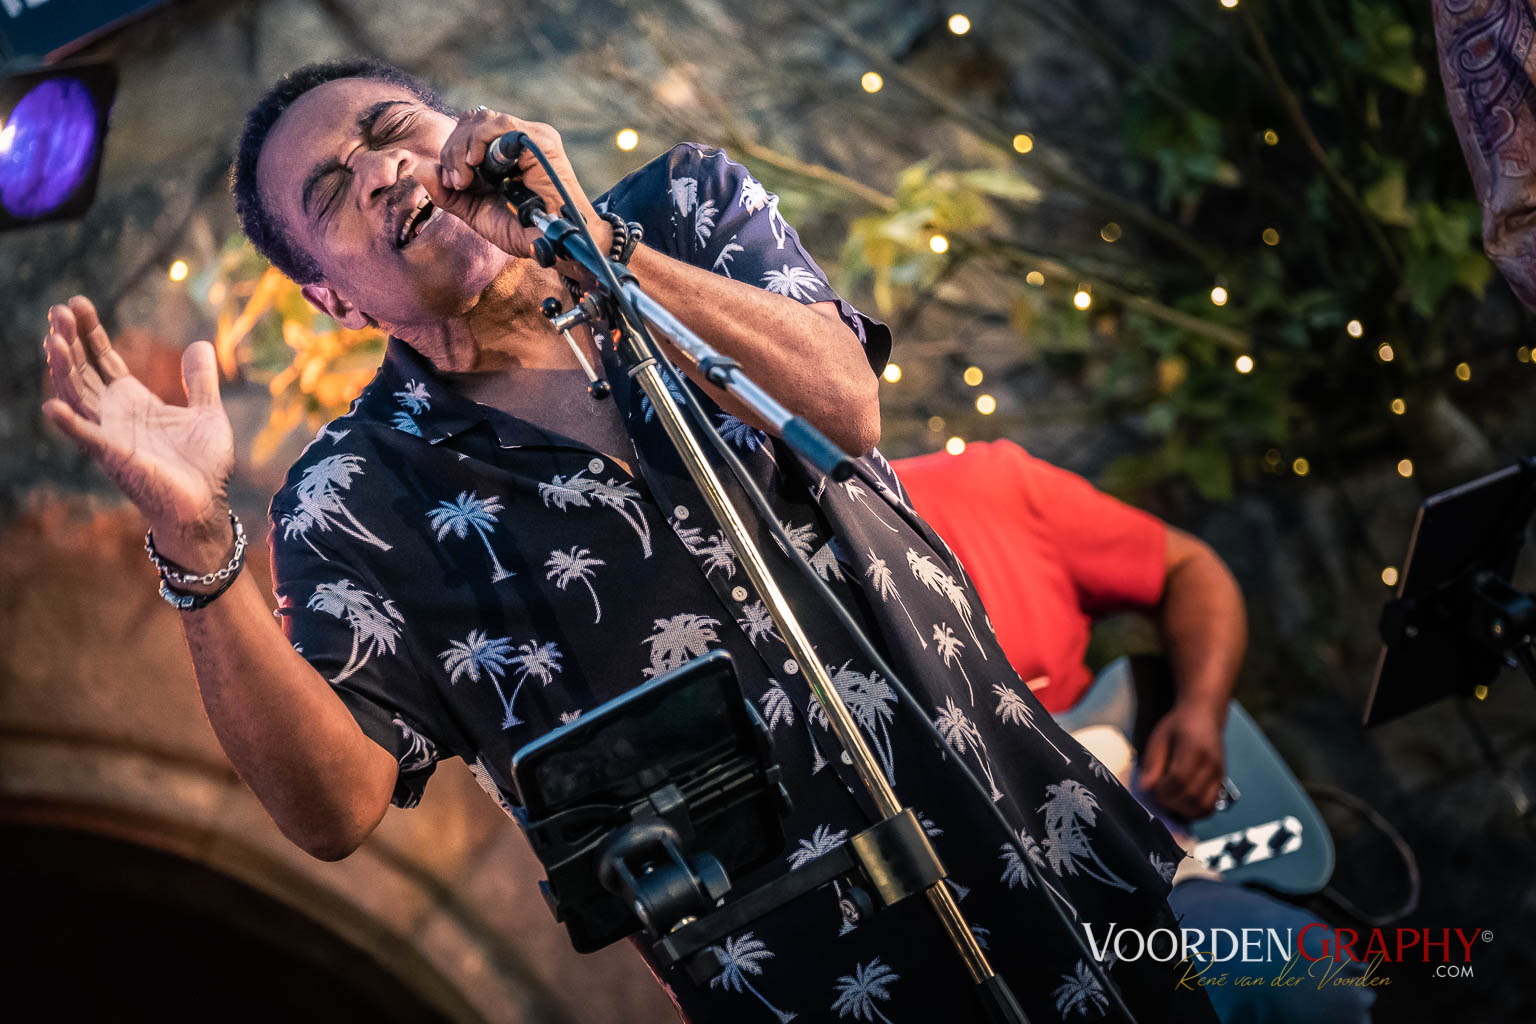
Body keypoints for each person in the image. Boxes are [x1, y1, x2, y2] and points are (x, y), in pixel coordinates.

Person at [41, 59, 1218, 1022]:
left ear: (465, 129)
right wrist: (194, 540)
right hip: (809, 980)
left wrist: (593, 242)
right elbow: (332, 810)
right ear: (334, 302)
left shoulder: (686, 211)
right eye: (334, 191)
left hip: (1038, 844)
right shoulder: (353, 496)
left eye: (392, 131)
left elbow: (843, 403)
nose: (384, 170)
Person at [895, 440, 1375, 1023]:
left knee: (1311, 982)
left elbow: (1189, 568)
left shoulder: (988, 482)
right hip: (998, 937)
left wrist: (1200, 713)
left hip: (1163, 871)